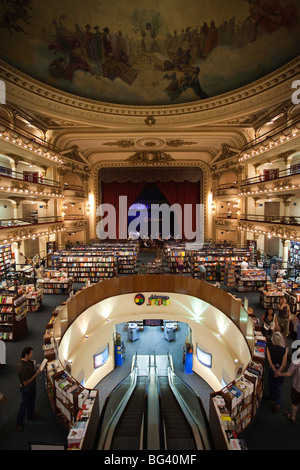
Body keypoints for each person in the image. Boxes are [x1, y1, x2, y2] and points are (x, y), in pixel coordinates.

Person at [16, 347, 42, 432]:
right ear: (26, 355)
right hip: (26, 389)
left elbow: (33, 363)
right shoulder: (22, 368)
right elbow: (25, 383)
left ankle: (30, 415)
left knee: (32, 401)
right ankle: (19, 422)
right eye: (31, 353)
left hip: (32, 387)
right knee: (24, 405)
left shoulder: (27, 362)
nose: (32, 355)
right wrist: (36, 374)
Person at [276, 350, 300, 425]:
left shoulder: (297, 362)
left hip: (297, 387)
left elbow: (289, 373)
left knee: (294, 402)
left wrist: (280, 374)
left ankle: (293, 417)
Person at [266, 331, 288, 411]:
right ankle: (277, 403)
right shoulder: (284, 350)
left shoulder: (268, 346)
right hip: (280, 372)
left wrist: (274, 369)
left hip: (272, 368)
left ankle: (271, 395)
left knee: (271, 382)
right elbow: (284, 363)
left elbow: (269, 358)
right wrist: (278, 371)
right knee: (279, 386)